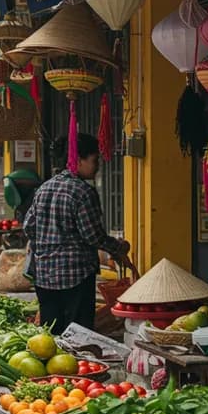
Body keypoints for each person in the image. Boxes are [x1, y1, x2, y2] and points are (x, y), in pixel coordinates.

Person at [23, 133, 137, 336]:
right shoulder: (83, 192)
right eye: (94, 160)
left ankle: (53, 368)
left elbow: (29, 227)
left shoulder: (44, 189)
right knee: (78, 335)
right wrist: (119, 248)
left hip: (45, 276)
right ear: (78, 160)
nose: (98, 166)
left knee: (51, 334)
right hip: (75, 276)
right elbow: (93, 236)